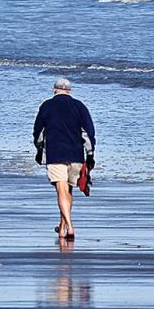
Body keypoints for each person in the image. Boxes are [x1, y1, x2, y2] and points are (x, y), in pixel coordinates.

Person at [33, 77, 95, 241]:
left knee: (61, 191)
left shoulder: (47, 106)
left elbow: (39, 131)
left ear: (54, 90)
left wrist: (39, 149)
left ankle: (70, 226)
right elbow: (87, 132)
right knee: (68, 191)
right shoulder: (79, 106)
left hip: (55, 153)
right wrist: (90, 154)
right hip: (75, 155)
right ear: (70, 91)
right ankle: (62, 228)